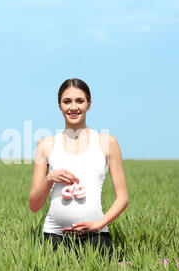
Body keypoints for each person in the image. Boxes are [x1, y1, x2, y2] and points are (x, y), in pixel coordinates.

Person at [28, 78, 128, 261]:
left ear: (89, 104)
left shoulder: (108, 143)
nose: (73, 107)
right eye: (67, 101)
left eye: (79, 101)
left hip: (96, 236)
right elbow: (34, 205)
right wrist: (49, 178)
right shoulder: (45, 145)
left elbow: (122, 198)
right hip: (54, 237)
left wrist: (99, 224)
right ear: (59, 105)